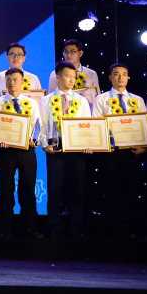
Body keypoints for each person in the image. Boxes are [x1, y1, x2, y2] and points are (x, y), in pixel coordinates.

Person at [92, 63, 147, 238]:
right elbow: (97, 125)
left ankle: (131, 230)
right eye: (116, 74)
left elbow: (145, 126)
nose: (120, 77)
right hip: (111, 153)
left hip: (132, 153)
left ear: (128, 77)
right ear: (110, 77)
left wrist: (143, 146)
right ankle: (112, 232)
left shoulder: (138, 100)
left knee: (132, 190)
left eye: (124, 74)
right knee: (111, 192)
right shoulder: (101, 99)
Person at [0, 68, 44, 240]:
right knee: (6, 189)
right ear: (5, 82)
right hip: (6, 151)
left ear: (22, 81)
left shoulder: (31, 103)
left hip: (27, 150)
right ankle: (4, 228)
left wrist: (34, 140)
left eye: (15, 79)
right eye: (9, 80)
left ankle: (30, 227)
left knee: (28, 188)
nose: (12, 83)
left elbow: (38, 126)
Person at [42, 62, 92, 248]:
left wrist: (87, 143)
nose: (71, 80)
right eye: (67, 76)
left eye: (74, 77)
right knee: (55, 190)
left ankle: (76, 231)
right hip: (55, 149)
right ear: (58, 77)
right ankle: (54, 231)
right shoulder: (46, 100)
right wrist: (45, 145)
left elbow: (87, 125)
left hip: (76, 150)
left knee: (77, 190)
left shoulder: (82, 101)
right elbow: (42, 126)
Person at [46, 38, 101, 108]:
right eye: (66, 52)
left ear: (80, 53)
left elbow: (98, 97)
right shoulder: (55, 74)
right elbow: (51, 97)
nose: (69, 55)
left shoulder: (91, 74)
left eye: (73, 52)